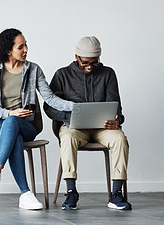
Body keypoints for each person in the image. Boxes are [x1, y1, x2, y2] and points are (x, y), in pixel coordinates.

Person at [0, 28, 74, 210]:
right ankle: (25, 194)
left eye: (26, 45)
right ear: (9, 50)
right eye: (21, 46)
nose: (26, 49)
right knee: (13, 129)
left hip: (26, 125)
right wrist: (10, 113)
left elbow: (51, 98)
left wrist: (75, 107)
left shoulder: (33, 69)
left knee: (14, 126)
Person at [43, 36, 131, 210]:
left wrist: (117, 120)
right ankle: (71, 192)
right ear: (76, 57)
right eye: (85, 63)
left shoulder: (108, 74)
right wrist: (67, 117)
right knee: (67, 137)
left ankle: (116, 194)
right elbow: (48, 107)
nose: (90, 67)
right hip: (74, 128)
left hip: (102, 129)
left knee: (120, 138)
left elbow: (117, 108)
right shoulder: (62, 75)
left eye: (94, 63)